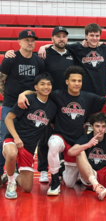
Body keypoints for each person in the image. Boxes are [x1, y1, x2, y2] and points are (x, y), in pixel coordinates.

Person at [17, 66, 106, 196]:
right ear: (67, 81)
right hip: (60, 136)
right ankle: (55, 181)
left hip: (76, 142)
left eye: (79, 81)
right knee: (53, 143)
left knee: (70, 184)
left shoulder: (88, 97)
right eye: (73, 80)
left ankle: (61, 168)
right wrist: (22, 94)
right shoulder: (57, 95)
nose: (77, 83)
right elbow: (39, 91)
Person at [5, 26, 74, 183]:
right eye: (58, 36)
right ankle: (42, 170)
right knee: (43, 135)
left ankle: (62, 169)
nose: (61, 39)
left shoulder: (72, 52)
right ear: (52, 39)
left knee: (60, 134)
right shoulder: (44, 54)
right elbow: (37, 80)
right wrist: (24, 93)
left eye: (64, 36)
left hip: (64, 100)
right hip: (44, 98)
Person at [0, 29, 45, 187]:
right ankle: (1, 173)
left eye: (32, 40)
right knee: (3, 139)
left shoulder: (38, 61)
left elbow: (40, 84)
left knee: (24, 139)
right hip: (10, 104)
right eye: (26, 40)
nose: (30, 42)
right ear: (19, 42)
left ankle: (16, 173)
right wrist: (8, 97)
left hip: (29, 106)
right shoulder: (10, 59)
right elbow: (1, 79)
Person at [3, 72, 57, 199]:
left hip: (29, 147)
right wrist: (16, 137)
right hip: (14, 138)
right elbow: (8, 119)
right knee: (11, 154)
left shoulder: (53, 107)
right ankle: (11, 183)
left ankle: (13, 176)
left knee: (27, 188)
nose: (46, 87)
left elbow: (54, 125)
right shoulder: (27, 100)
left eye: (49, 84)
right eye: (42, 84)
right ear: (36, 87)